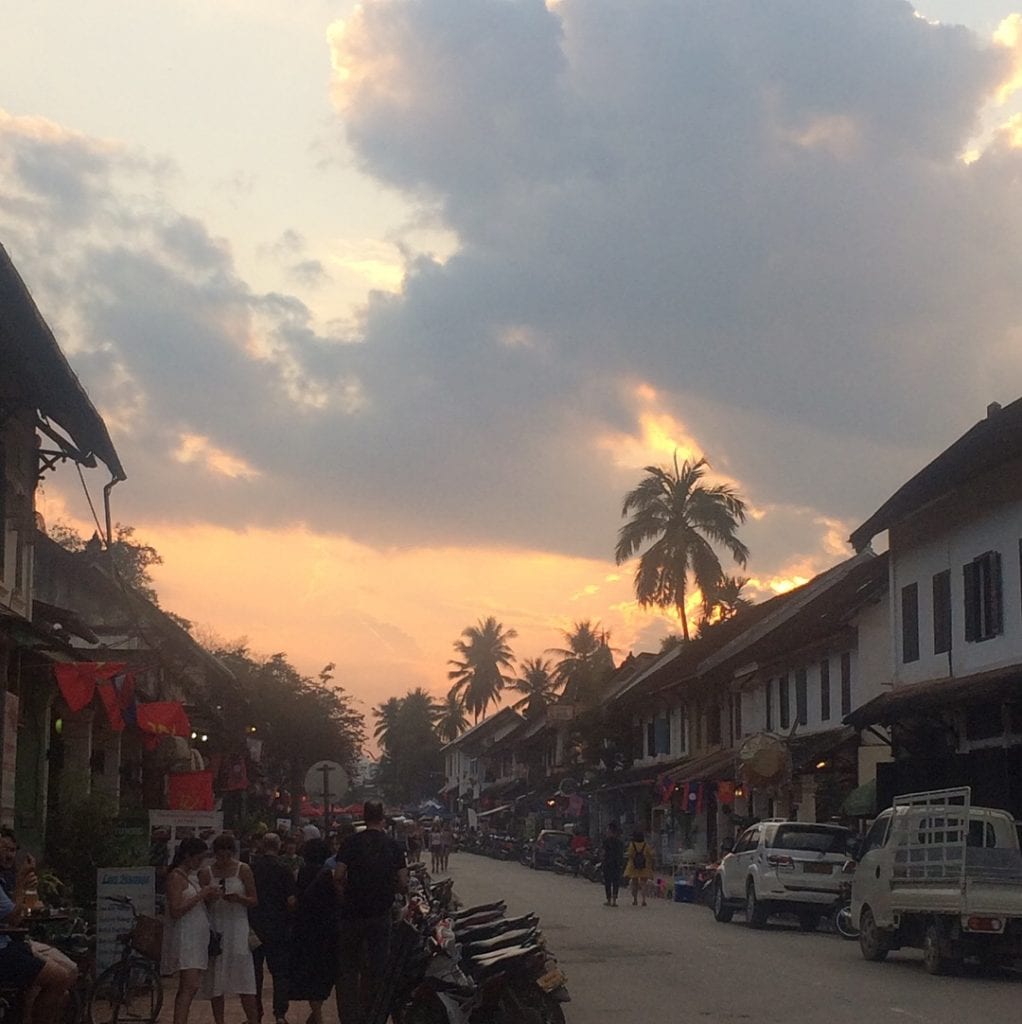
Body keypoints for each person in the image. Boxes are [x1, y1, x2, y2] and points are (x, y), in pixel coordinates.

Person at [333, 800, 408, 1024]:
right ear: (382, 818)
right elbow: (404, 882)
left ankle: (349, 1017)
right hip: (380, 916)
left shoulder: (351, 843)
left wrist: (346, 895)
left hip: (352, 914)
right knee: (379, 969)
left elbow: (338, 876)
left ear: (364, 818)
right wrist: (388, 888)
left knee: (348, 970)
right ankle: (374, 1014)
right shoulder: (393, 845)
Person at [200, 833, 259, 1024]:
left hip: (238, 926)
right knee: (216, 978)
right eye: (219, 853)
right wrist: (210, 898)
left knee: (244, 979)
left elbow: (254, 900)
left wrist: (238, 898)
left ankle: (253, 1019)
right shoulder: (207, 872)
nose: (223, 858)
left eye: (226, 853)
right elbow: (201, 904)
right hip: (217, 926)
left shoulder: (243, 869)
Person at [164, 836, 221, 1024]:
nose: (200, 863)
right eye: (198, 858)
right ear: (188, 856)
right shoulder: (176, 877)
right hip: (186, 937)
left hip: (197, 936)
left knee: (191, 986)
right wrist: (201, 895)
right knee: (189, 986)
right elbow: (176, 909)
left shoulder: (189, 877)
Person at [290, 838, 338, 1024]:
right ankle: (317, 1015)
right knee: (327, 972)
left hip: (306, 928)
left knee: (312, 973)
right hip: (328, 927)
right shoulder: (330, 874)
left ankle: (317, 1015)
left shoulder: (301, 872)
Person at [250, 832, 295, 1024]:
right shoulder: (285, 870)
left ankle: (255, 1013)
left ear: (262, 846)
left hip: (255, 926)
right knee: (280, 973)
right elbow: (291, 901)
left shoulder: (251, 869)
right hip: (279, 926)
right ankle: (280, 1013)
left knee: (255, 973)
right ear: (279, 847)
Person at [624, 829, 655, 906]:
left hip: (634, 867)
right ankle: (643, 900)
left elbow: (630, 855)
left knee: (634, 883)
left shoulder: (632, 845)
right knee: (643, 884)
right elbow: (651, 855)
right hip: (644, 867)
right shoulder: (646, 845)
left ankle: (635, 900)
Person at [601, 822, 625, 907]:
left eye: (608, 830)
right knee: (615, 882)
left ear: (611, 831)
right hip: (616, 865)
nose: (606, 831)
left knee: (608, 882)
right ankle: (614, 901)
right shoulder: (620, 842)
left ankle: (608, 900)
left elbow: (603, 853)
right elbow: (621, 854)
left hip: (607, 864)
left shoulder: (606, 841)